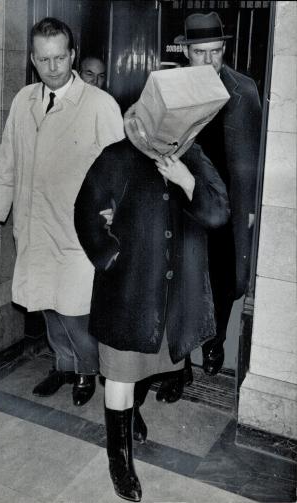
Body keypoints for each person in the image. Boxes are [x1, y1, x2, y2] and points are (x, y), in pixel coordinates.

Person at [74, 67, 230, 501]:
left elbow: (218, 213)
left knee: (149, 367)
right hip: (128, 295)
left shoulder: (194, 157)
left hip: (170, 298)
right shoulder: (116, 157)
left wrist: (186, 180)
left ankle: (131, 416)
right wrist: (112, 258)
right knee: (122, 377)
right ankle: (119, 462)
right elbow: (86, 213)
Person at [0, 17, 124, 406]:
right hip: (33, 225)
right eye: (43, 60)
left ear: (72, 55)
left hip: (78, 231)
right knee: (45, 303)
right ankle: (62, 366)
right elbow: (7, 159)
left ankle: (85, 371)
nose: (53, 67)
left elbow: (121, 170)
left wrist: (116, 215)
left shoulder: (100, 105)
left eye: (60, 58)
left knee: (76, 310)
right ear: (33, 59)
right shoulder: (23, 100)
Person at [156, 11, 262, 402]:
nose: (209, 62)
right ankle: (177, 370)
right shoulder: (167, 88)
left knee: (222, 283)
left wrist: (249, 210)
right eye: (200, 53)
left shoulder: (244, 90)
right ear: (185, 51)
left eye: (216, 52)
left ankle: (214, 342)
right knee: (179, 290)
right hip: (182, 206)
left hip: (227, 210)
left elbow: (255, 158)